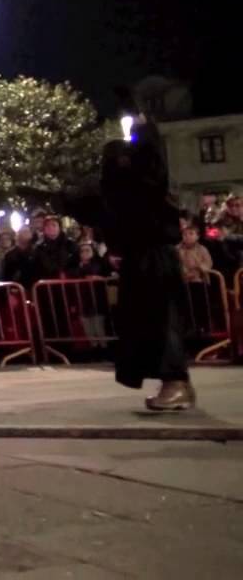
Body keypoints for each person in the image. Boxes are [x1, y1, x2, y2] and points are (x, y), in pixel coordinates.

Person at [54, 115, 195, 410]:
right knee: (145, 321)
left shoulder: (146, 184)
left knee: (162, 319)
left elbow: (153, 162)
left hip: (155, 256)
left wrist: (143, 128)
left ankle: (176, 381)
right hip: (137, 259)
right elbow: (94, 211)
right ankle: (175, 382)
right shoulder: (118, 194)